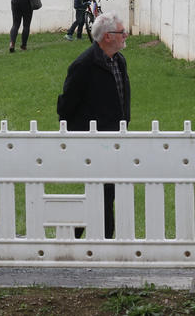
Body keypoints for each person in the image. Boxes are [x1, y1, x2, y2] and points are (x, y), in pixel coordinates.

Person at [56, 12, 130, 238]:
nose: (125, 35)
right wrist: (81, 137)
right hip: (94, 140)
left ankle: (75, 230)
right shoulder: (83, 65)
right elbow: (65, 107)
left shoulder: (119, 60)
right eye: (121, 32)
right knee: (106, 189)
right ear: (108, 36)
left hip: (116, 137)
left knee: (105, 190)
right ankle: (107, 239)